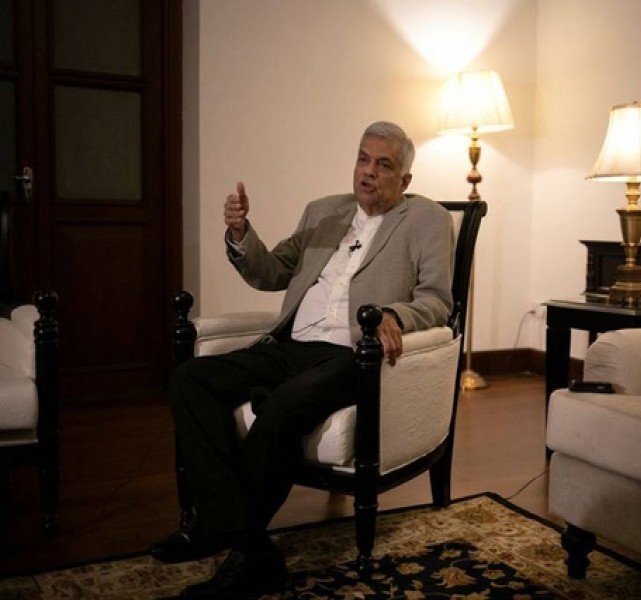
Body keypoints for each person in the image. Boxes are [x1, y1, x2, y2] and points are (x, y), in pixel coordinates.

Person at [150, 121, 454, 598]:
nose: (368, 172)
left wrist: (395, 313)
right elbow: (270, 271)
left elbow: (438, 301)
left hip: (351, 354)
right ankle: (248, 543)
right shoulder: (324, 211)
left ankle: (224, 538)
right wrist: (240, 233)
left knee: (282, 408)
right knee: (192, 380)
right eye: (362, 159)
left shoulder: (426, 221)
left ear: (405, 181)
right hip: (289, 345)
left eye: (383, 164)